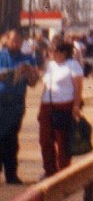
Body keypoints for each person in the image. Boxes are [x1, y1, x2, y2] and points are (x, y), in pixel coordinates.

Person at [38, 41, 84, 177]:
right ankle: (49, 170)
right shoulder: (50, 65)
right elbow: (46, 85)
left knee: (62, 140)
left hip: (64, 105)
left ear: (64, 53)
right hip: (47, 105)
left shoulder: (73, 65)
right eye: (51, 51)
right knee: (45, 139)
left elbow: (78, 87)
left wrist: (76, 105)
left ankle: (64, 172)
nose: (52, 53)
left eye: (55, 51)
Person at [0, 30, 39, 184]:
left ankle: (11, 174)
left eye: (18, 41)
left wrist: (30, 73)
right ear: (6, 40)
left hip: (15, 106)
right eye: (13, 40)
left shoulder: (27, 59)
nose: (15, 43)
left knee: (11, 139)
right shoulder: (1, 56)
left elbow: (33, 83)